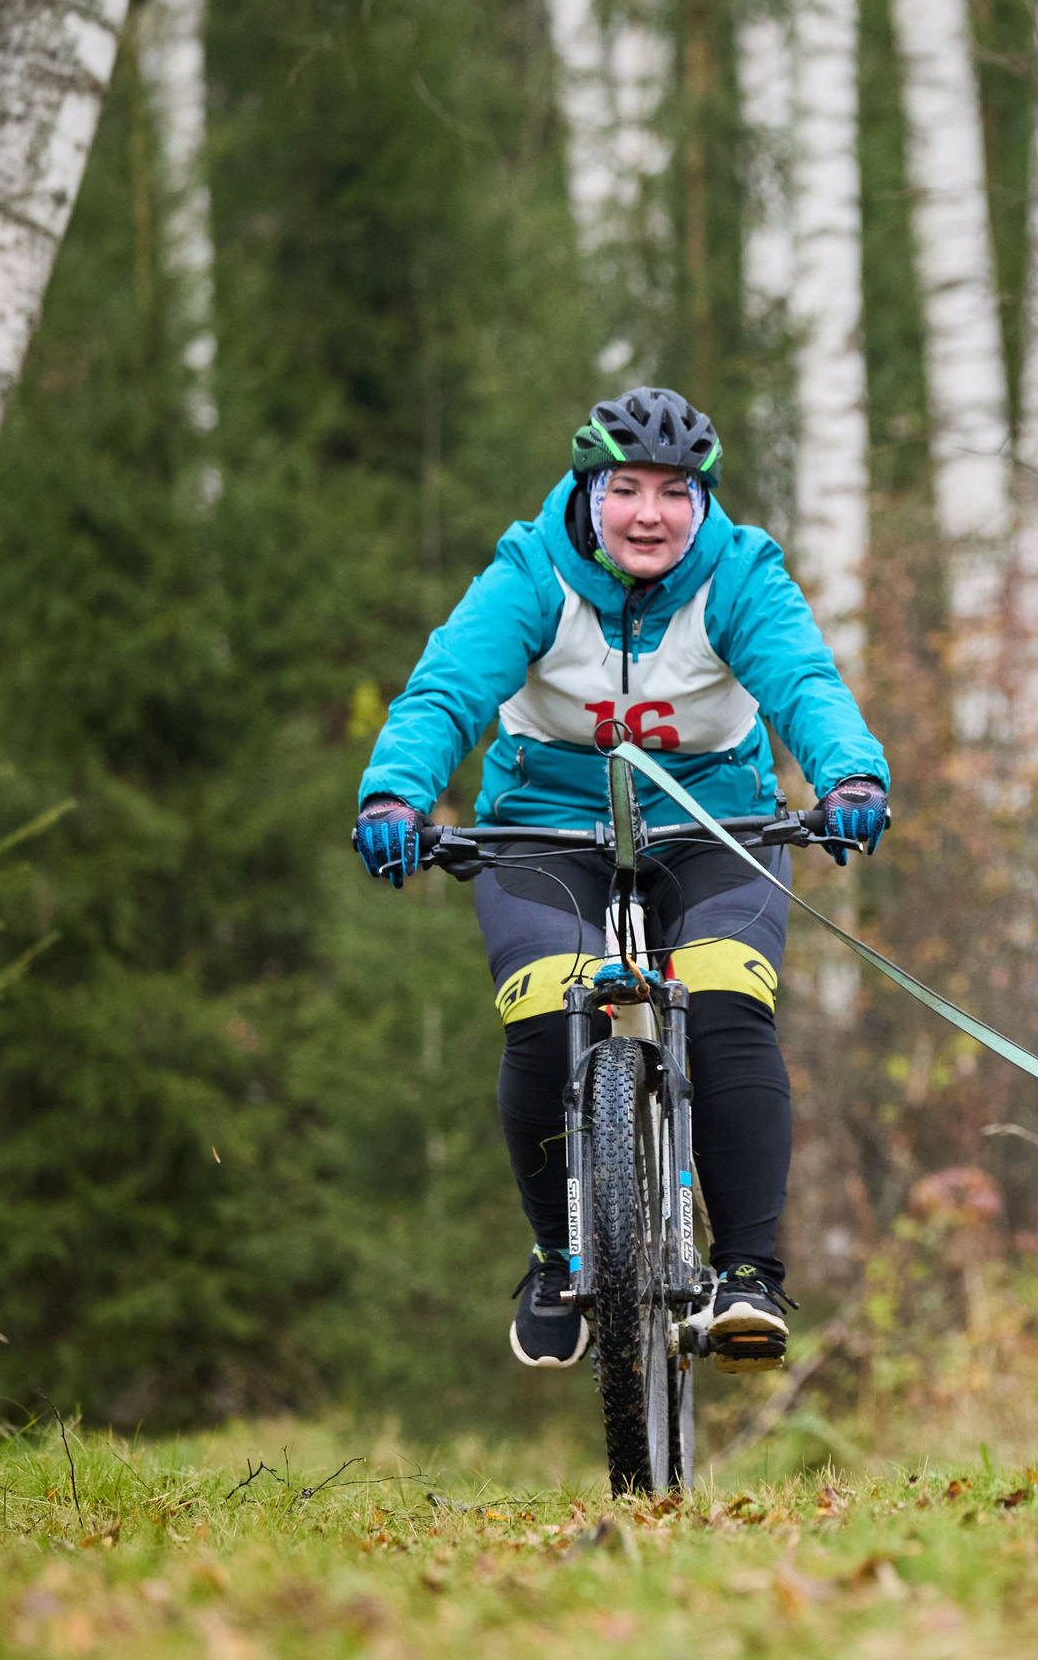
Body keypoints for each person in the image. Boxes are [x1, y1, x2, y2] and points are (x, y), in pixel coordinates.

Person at [350, 387, 888, 1372]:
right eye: (626, 489)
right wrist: (395, 793)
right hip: (540, 830)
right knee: (546, 1013)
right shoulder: (529, 571)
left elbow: (803, 681)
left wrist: (848, 774)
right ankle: (559, 1253)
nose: (650, 514)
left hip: (713, 824)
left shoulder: (739, 573)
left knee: (727, 999)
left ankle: (748, 1275)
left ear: (703, 500)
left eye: (675, 492)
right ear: (588, 493)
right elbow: (447, 686)